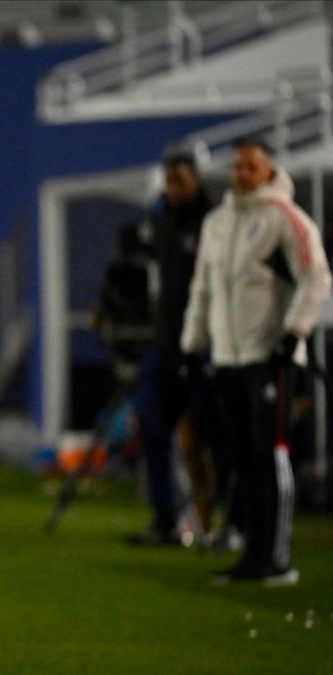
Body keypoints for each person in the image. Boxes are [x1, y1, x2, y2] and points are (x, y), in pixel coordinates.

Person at [181, 138, 331, 585]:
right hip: (229, 357)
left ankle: (277, 558)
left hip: (271, 358)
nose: (242, 174)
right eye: (237, 166)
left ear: (268, 171)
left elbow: (317, 276)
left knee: (271, 455)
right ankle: (252, 553)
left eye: (251, 166)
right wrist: (193, 346)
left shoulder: (286, 217)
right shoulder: (217, 222)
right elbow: (202, 290)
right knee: (242, 458)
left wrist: (294, 332)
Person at [126, 153, 224, 547]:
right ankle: (165, 519)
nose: (174, 188)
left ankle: (226, 522)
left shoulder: (214, 221)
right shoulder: (160, 221)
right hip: (165, 344)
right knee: (150, 426)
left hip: (207, 346)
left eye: (181, 180)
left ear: (196, 181)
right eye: (170, 181)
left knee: (216, 437)